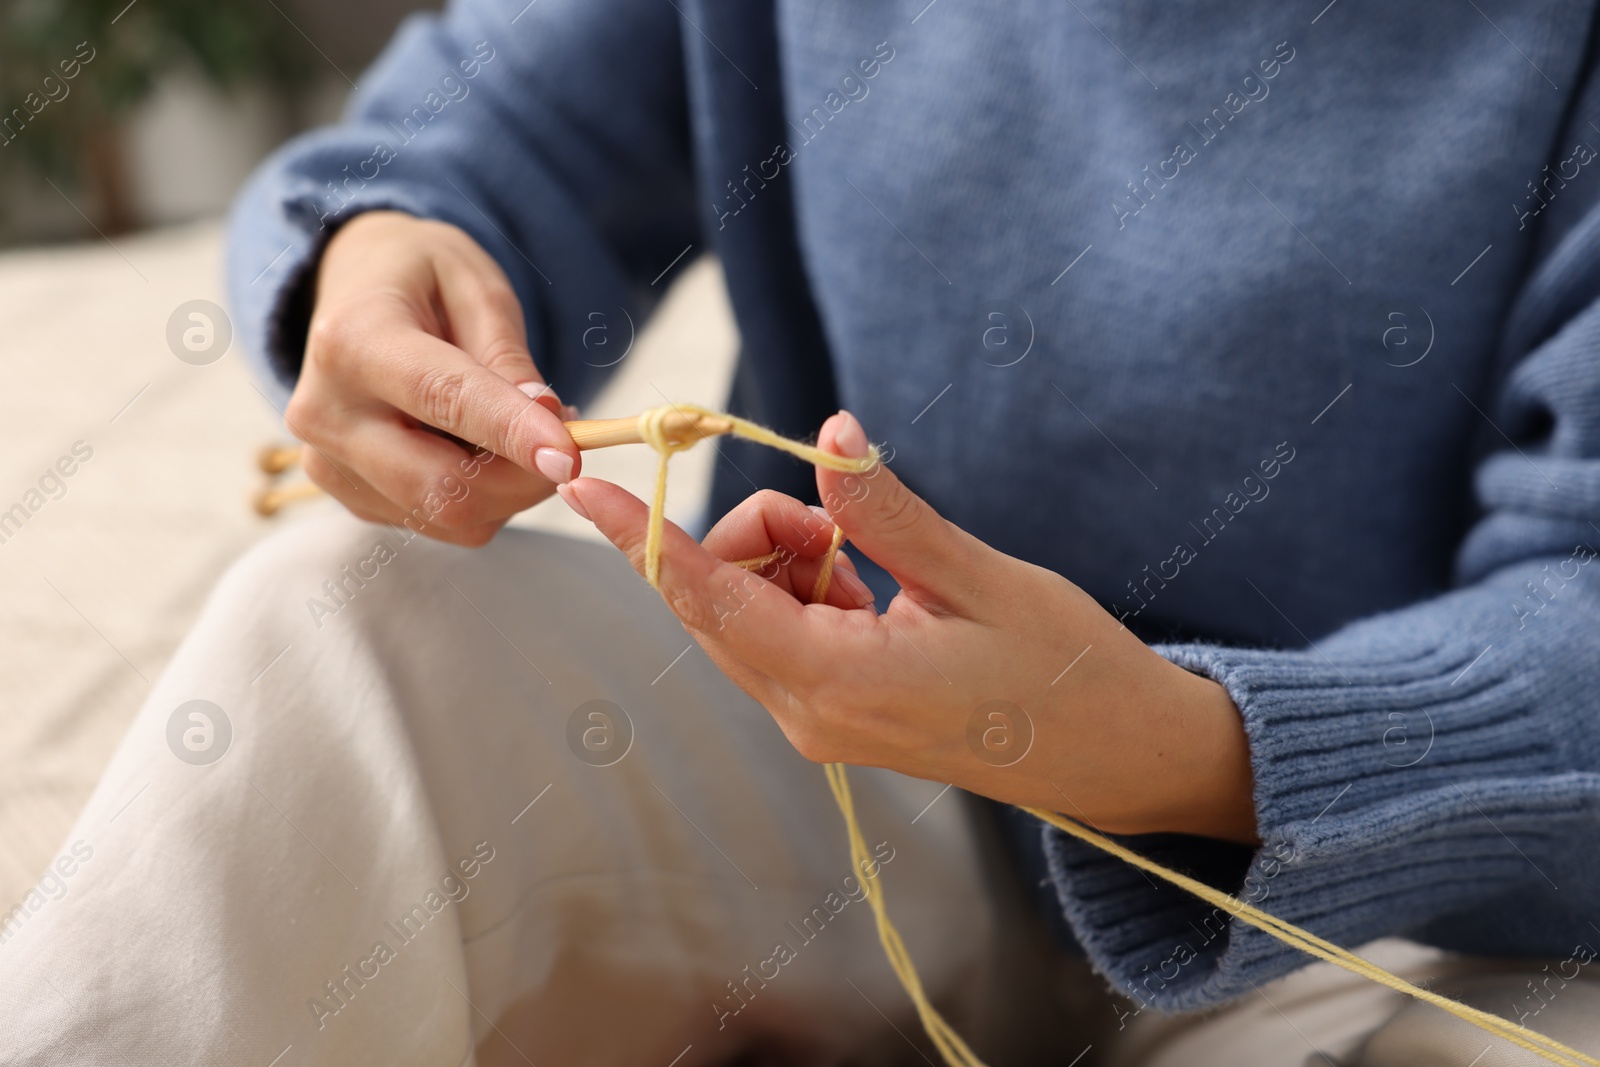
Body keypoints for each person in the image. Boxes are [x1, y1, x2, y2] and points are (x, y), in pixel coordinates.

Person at [5, 1, 1600, 1064]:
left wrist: (1188, 752)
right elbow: (500, 120)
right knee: (342, 622)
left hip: (1391, 902)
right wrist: (388, 246)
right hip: (848, 783)